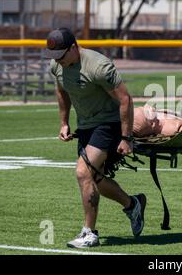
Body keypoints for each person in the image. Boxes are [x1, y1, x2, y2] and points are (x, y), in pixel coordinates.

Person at [44, 27, 146, 248]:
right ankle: (133, 204)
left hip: (109, 123)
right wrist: (64, 122)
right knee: (95, 180)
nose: (57, 61)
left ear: (73, 47)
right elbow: (62, 91)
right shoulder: (57, 65)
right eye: (54, 57)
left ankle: (89, 233)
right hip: (86, 124)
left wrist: (126, 137)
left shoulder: (98, 66)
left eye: (61, 56)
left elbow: (126, 99)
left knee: (83, 172)